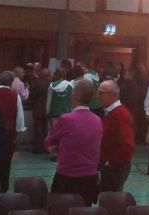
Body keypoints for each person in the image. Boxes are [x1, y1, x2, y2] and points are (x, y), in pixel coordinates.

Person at [45, 76, 104, 205]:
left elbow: (49, 143)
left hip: (67, 176)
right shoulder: (98, 121)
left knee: (60, 211)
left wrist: (59, 150)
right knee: (84, 213)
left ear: (74, 96)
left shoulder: (65, 119)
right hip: (90, 178)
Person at [98, 79, 135, 193]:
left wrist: (110, 163)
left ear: (112, 94)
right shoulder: (110, 113)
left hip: (115, 168)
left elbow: (127, 146)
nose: (98, 96)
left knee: (111, 199)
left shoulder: (120, 115)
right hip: (109, 167)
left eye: (101, 93)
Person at [0, 71, 24, 188]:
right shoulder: (15, 96)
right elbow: (20, 118)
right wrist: (17, 133)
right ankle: (3, 188)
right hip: (9, 134)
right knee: (5, 164)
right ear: (11, 82)